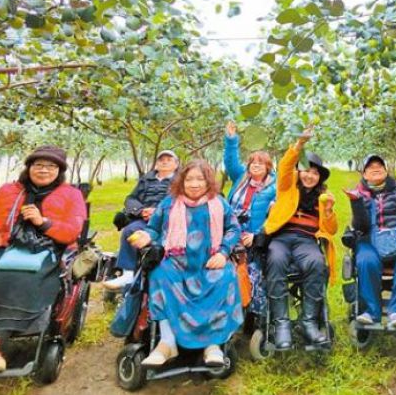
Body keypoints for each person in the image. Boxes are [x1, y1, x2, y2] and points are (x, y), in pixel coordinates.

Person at [0, 146, 86, 379]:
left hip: (45, 252)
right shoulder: (8, 191)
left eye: (51, 166)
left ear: (60, 171)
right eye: (38, 165)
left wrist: (44, 222)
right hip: (1, 249)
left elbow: (73, 232)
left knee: (19, 280)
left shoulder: (71, 194)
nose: (44, 170)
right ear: (29, 167)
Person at [128, 160, 243, 367]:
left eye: (200, 179)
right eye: (189, 179)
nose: (194, 184)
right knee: (159, 275)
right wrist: (145, 235)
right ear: (181, 181)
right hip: (177, 263)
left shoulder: (219, 203)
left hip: (209, 262)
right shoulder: (170, 203)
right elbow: (154, 228)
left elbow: (233, 229)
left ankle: (213, 345)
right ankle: (167, 343)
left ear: (209, 181)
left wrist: (224, 253)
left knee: (225, 276)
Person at [263, 127, 337, 349]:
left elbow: (331, 229)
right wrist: (299, 144)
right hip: (282, 238)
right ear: (298, 171)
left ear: (319, 178)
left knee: (317, 263)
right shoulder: (287, 187)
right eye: (306, 170)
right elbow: (285, 165)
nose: (310, 175)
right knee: (275, 261)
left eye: (315, 173)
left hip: (306, 241)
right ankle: (282, 324)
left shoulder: (322, 198)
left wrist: (329, 211)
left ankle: (309, 323)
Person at [346, 154, 396, 328]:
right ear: (364, 174)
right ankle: (370, 311)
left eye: (379, 165)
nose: (375, 167)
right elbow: (360, 225)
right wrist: (356, 203)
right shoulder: (359, 193)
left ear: (386, 170)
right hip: (370, 241)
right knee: (365, 261)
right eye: (370, 166)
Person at [104, 150, 179, 290]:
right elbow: (131, 199)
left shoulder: (180, 181)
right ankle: (127, 273)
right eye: (161, 159)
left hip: (169, 220)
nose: (164, 162)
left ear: (176, 165)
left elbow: (181, 201)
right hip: (144, 219)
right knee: (129, 231)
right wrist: (140, 210)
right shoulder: (145, 179)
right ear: (156, 164)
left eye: (169, 159)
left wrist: (158, 212)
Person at [223, 121, 276, 318]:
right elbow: (230, 162)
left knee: (251, 270)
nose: (255, 165)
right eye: (253, 162)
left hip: (254, 236)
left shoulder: (274, 187)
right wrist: (231, 139)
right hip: (231, 229)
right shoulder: (241, 178)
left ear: (268, 167)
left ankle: (253, 313)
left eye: (260, 163)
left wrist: (256, 234)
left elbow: (275, 217)